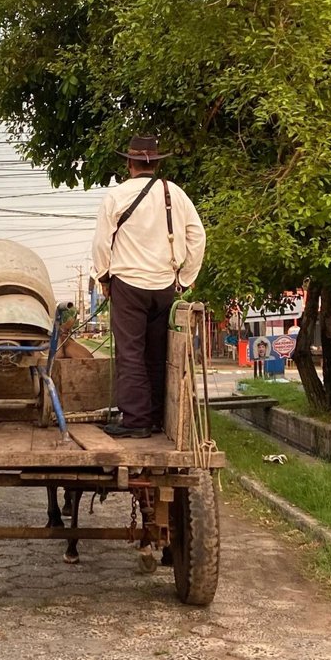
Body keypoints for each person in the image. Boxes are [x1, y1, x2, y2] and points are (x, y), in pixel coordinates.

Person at [90, 135, 207, 439]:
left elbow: (101, 243)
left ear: (128, 164)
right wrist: (185, 277)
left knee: (130, 353)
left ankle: (137, 421)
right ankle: (156, 416)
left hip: (128, 285)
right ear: (155, 164)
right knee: (157, 353)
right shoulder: (175, 194)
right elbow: (198, 236)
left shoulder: (117, 197)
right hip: (165, 285)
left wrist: (104, 278)